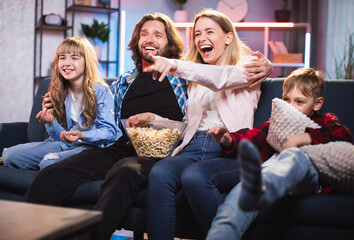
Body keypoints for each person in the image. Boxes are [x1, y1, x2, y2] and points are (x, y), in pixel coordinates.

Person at [23, 13, 187, 240]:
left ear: (169, 43)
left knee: (125, 171)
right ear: (137, 41)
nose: (149, 39)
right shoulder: (123, 82)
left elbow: (197, 116)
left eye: (157, 35)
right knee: (53, 174)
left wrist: (152, 118)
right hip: (121, 147)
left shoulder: (184, 77)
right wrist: (57, 101)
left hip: (163, 155)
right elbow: (96, 110)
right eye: (144, 34)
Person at [144, 9, 273, 240]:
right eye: (197, 34)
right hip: (193, 148)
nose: (202, 38)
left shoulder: (249, 66)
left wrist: (175, 65)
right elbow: (189, 122)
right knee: (160, 171)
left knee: (195, 176)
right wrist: (153, 121)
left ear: (228, 37)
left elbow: (220, 78)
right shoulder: (197, 79)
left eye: (210, 32)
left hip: (230, 150)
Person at [206, 67, 353, 240]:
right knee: (235, 202)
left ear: (317, 103)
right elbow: (250, 137)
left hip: (304, 171)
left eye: (299, 102)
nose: (290, 107)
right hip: (263, 176)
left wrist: (300, 139)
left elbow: (342, 135)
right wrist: (227, 140)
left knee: (293, 156)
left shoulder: (324, 120)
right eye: (286, 100)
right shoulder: (274, 124)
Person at [2, 37, 121, 170]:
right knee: (9, 156)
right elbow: (59, 138)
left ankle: (53, 164)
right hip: (66, 145)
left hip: (91, 147)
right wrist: (51, 121)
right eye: (62, 57)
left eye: (74, 58)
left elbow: (110, 132)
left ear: (86, 62)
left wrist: (82, 135)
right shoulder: (59, 90)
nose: (66, 63)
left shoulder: (100, 90)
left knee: (48, 163)